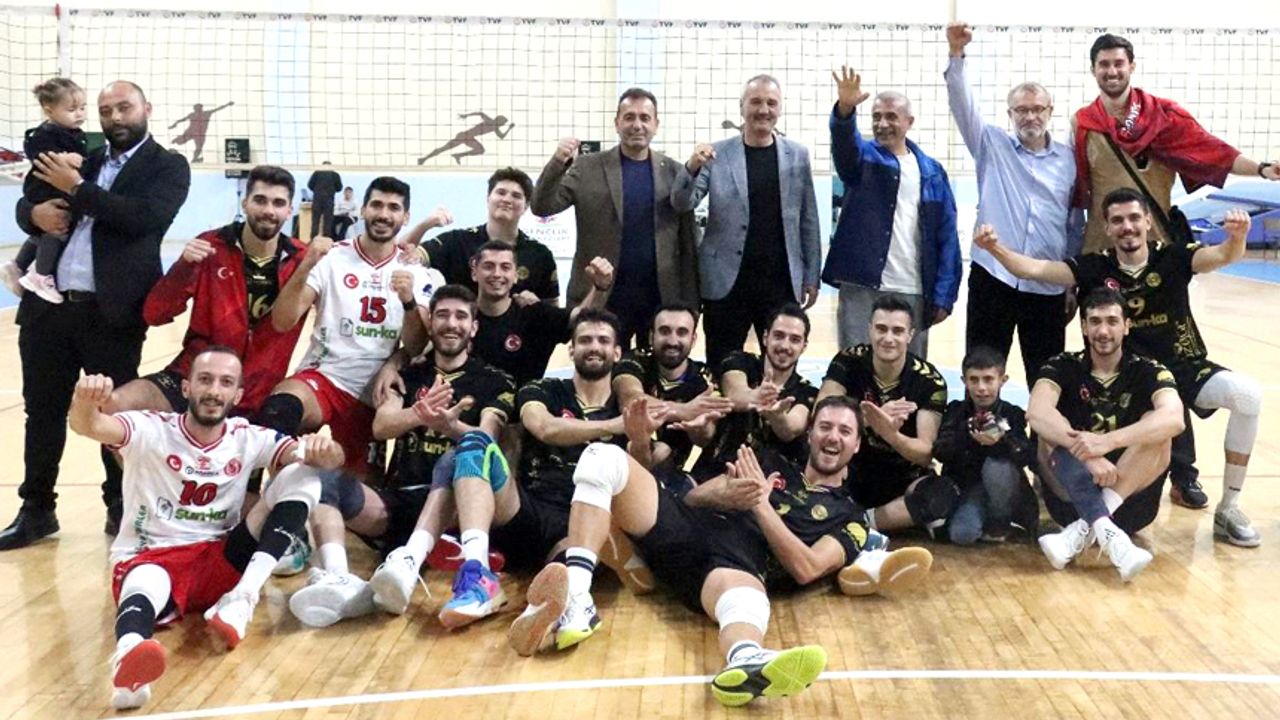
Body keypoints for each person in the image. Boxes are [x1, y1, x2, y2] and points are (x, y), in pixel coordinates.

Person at [507, 396, 932, 707]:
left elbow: (808, 567)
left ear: (856, 445)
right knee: (602, 457)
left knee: (745, 598)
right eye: (825, 427)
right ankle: (578, 599)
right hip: (685, 529)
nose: (832, 436)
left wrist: (761, 506)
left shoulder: (850, 517)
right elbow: (692, 497)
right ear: (810, 434)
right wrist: (724, 493)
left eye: (844, 431)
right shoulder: (769, 462)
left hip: (731, 569)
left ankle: (745, 661)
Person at [973, 190, 1264, 546]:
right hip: (1130, 378)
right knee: (1089, 432)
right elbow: (1035, 269)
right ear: (1107, 228)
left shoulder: (1173, 256)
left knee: (1248, 397)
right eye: (1118, 220)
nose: (1127, 226)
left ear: (1148, 222)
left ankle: (1229, 508)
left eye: (1134, 218)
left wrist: (1238, 238)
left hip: (1181, 366)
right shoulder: (1095, 267)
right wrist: (995, 249)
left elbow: (1221, 255)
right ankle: (1099, 509)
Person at [67, 349, 344, 709]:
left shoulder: (247, 437)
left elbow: (324, 458)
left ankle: (242, 599)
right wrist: (83, 400)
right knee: (146, 582)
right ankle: (129, 658)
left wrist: (326, 451)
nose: (214, 391)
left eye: (225, 383)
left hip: (220, 562)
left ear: (238, 395)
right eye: (205, 380)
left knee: (303, 473)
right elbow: (89, 426)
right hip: (153, 557)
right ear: (186, 388)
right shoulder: (150, 428)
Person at [1, 80, 191, 551]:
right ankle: (37, 510)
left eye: (124, 107)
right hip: (47, 309)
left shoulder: (167, 166)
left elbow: (140, 218)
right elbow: (31, 195)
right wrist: (33, 215)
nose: (115, 117)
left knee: (114, 410)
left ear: (147, 108)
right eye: (106, 111)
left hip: (111, 314)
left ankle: (119, 505)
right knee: (42, 412)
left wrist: (78, 189)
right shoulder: (81, 153)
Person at [287, 285, 517, 629]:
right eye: (442, 315)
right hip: (402, 499)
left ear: (474, 327)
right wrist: (419, 414)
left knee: (457, 457)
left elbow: (487, 439)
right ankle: (339, 577)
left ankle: (423, 556)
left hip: (460, 503)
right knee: (322, 482)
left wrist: (451, 426)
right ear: (431, 323)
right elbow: (381, 426)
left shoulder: (495, 381)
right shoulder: (407, 375)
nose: (451, 324)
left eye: (460, 316)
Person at [253, 176, 444, 477]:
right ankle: (278, 495)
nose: (383, 214)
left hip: (373, 393)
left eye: (393, 208)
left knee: (359, 495)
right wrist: (306, 264)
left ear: (405, 217)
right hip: (323, 376)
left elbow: (416, 345)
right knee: (280, 410)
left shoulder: (415, 271)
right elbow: (282, 321)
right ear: (363, 210)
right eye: (376, 205)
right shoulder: (333, 257)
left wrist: (408, 301)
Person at [109, 165, 307, 418]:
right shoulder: (211, 246)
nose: (268, 210)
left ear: (289, 211)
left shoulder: (303, 260)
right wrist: (183, 267)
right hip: (195, 377)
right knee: (115, 405)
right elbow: (154, 314)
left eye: (278, 203)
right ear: (245, 204)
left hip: (259, 393)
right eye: (260, 200)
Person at [945, 23, 1081, 382]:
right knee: (982, 371)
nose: (1030, 116)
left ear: (1050, 111)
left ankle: (1044, 423)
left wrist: (1071, 282)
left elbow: (1073, 224)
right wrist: (956, 54)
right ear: (1010, 114)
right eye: (1021, 110)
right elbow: (962, 103)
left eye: (1037, 109)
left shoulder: (1069, 160)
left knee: (1048, 376)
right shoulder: (991, 145)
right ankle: (979, 420)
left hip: (1046, 282)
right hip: (994, 277)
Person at [1027, 288, 1185, 582]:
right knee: (1049, 431)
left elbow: (1175, 419)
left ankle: (1079, 532)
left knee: (1158, 428)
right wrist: (1088, 456)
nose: (1103, 331)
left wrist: (1106, 442)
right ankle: (1112, 539)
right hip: (1070, 496)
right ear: (1084, 327)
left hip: (1130, 500)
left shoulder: (1148, 370)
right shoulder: (1062, 365)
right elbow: (1036, 413)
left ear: (1127, 326)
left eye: (1112, 321)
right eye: (1095, 321)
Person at [1073, 34, 1279, 256]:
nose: (1112, 71)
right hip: (1101, 245)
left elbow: (1216, 153)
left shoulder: (1163, 116)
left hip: (1155, 244)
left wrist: (1262, 169)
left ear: (1132, 66)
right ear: (1093, 70)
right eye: (1104, 64)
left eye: (1119, 63)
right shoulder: (1082, 123)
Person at [672, 74, 821, 369]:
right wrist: (691, 166)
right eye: (755, 102)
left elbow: (809, 219)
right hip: (726, 283)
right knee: (722, 364)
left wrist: (811, 275)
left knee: (779, 366)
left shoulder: (797, 155)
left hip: (780, 282)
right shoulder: (716, 154)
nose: (763, 109)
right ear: (742, 107)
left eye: (771, 103)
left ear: (780, 109)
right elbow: (682, 202)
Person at [532, 88, 700, 346]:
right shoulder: (586, 167)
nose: (637, 125)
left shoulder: (675, 172)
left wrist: (691, 302)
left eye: (645, 118)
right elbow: (542, 207)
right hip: (601, 295)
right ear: (617, 123)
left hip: (659, 299)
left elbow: (688, 244)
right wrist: (557, 163)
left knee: (654, 370)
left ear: (656, 125)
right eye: (629, 117)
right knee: (598, 367)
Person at [822, 66, 960, 358]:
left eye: (891, 117)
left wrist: (944, 295)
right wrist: (845, 111)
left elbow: (947, 236)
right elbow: (845, 147)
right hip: (861, 284)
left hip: (913, 288)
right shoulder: (863, 159)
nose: (882, 124)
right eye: (876, 117)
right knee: (854, 366)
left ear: (909, 122)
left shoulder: (933, 172)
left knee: (910, 372)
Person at [817, 294, 954, 535]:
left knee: (942, 494)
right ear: (870, 330)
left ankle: (860, 522)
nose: (888, 338)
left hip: (902, 476)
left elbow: (925, 454)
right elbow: (820, 416)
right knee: (807, 463)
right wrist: (868, 420)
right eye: (881, 329)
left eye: (897, 331)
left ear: (910, 335)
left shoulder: (930, 381)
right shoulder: (848, 361)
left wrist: (890, 434)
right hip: (851, 468)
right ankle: (883, 520)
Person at [690, 303, 817, 480]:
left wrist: (777, 416)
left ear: (804, 346)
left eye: (794, 340)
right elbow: (735, 393)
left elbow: (790, 429)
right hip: (718, 471)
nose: (785, 345)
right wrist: (756, 396)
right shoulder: (739, 361)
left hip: (773, 484)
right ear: (765, 337)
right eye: (778, 336)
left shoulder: (808, 391)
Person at [467, 240, 612, 385]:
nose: (497, 274)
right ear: (474, 273)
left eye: (505, 267)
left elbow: (582, 319)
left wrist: (599, 288)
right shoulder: (460, 317)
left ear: (515, 275)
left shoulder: (536, 315)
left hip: (526, 398)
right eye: (488, 266)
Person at [933, 346, 1039, 544]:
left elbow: (1027, 455)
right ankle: (984, 522)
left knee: (997, 466)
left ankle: (1002, 521)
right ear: (964, 381)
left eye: (988, 379)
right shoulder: (956, 411)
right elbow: (940, 452)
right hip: (970, 489)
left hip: (1005, 490)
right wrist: (967, 434)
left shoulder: (1012, 413)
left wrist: (1000, 441)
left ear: (1002, 380)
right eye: (974, 380)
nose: (981, 388)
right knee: (962, 534)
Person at [409, 167, 560, 305]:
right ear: (488, 198)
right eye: (501, 192)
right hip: (461, 325)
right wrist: (426, 224)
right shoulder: (457, 241)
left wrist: (538, 307)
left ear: (526, 206)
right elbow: (404, 255)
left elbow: (553, 309)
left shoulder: (540, 254)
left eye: (516, 196)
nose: (507, 200)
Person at [611, 303, 733, 470]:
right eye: (664, 331)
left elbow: (706, 438)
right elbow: (631, 401)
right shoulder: (634, 360)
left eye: (682, 332)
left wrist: (699, 427)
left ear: (693, 339)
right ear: (651, 336)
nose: (672, 341)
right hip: (622, 464)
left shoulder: (705, 378)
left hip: (672, 472)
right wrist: (685, 411)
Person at [2, 78, 87, 303]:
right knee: (57, 229)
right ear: (49, 110)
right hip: (43, 188)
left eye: (82, 107)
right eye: (72, 109)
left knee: (43, 231)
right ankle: (40, 275)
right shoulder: (44, 134)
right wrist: (65, 158)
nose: (79, 114)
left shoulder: (75, 133)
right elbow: (38, 154)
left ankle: (17, 265)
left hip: (53, 187)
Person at [418, 111, 514, 165]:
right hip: (464, 135)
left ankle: (458, 155)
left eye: (503, 124)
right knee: (444, 148)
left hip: (469, 138)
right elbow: (481, 113)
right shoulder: (490, 122)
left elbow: (501, 137)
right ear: (498, 120)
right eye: (503, 123)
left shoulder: (495, 128)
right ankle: (424, 158)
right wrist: (466, 115)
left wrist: (509, 128)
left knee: (480, 150)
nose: (502, 124)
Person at [168, 101, 233, 163]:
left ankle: (194, 159)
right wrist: (174, 125)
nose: (197, 110)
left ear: (201, 108)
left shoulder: (206, 113)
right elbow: (181, 120)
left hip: (199, 134)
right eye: (196, 109)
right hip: (191, 132)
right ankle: (177, 141)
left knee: (198, 148)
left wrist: (227, 104)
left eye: (198, 108)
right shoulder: (193, 114)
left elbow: (218, 109)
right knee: (181, 142)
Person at [306, 161, 342, 238]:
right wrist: (332, 189)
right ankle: (326, 239)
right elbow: (339, 188)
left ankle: (313, 239)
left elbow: (310, 185)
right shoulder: (335, 175)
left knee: (315, 221)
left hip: (317, 199)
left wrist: (317, 190)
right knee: (328, 222)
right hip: (329, 199)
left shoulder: (316, 173)